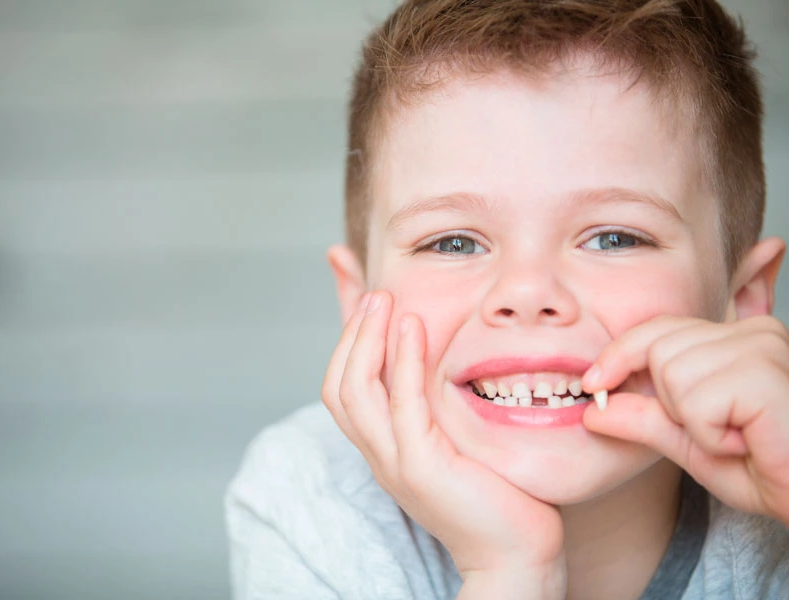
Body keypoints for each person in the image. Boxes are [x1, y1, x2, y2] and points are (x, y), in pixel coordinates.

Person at [225, 1, 789, 598]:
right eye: (454, 242)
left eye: (614, 237)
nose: (526, 293)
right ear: (360, 301)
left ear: (741, 298)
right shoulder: (311, 498)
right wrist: (511, 572)